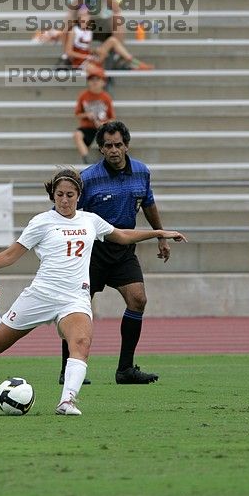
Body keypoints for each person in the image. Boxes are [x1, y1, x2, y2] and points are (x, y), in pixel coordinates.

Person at [0, 168, 187, 416]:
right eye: (60, 194)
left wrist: (158, 233)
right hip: (41, 295)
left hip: (74, 299)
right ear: (52, 195)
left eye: (70, 194)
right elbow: (10, 255)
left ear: (79, 195)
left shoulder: (90, 220)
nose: (65, 200)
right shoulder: (41, 222)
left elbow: (123, 236)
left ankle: (67, 401)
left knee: (81, 342)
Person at [59, 121, 176, 386]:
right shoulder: (87, 178)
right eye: (108, 146)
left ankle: (125, 370)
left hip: (124, 250)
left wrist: (161, 236)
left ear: (127, 145)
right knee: (76, 308)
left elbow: (148, 204)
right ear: (100, 149)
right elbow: (69, 213)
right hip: (92, 251)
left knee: (138, 299)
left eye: (118, 145)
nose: (114, 150)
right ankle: (68, 369)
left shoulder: (142, 173)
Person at [65, 8, 154, 73]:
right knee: (99, 72)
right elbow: (69, 52)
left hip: (89, 57)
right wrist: (86, 57)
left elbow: (85, 48)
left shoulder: (88, 31)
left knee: (112, 40)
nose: (84, 18)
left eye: (86, 15)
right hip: (80, 61)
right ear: (78, 18)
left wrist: (95, 51)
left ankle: (137, 63)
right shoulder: (73, 31)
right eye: (82, 16)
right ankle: (128, 68)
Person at [74, 70, 115, 164]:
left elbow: (112, 118)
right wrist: (86, 115)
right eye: (92, 79)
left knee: (110, 137)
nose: (94, 82)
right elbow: (77, 114)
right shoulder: (83, 96)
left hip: (102, 127)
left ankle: (107, 159)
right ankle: (86, 159)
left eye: (97, 79)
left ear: (103, 82)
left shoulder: (106, 97)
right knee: (77, 135)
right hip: (87, 127)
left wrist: (103, 123)